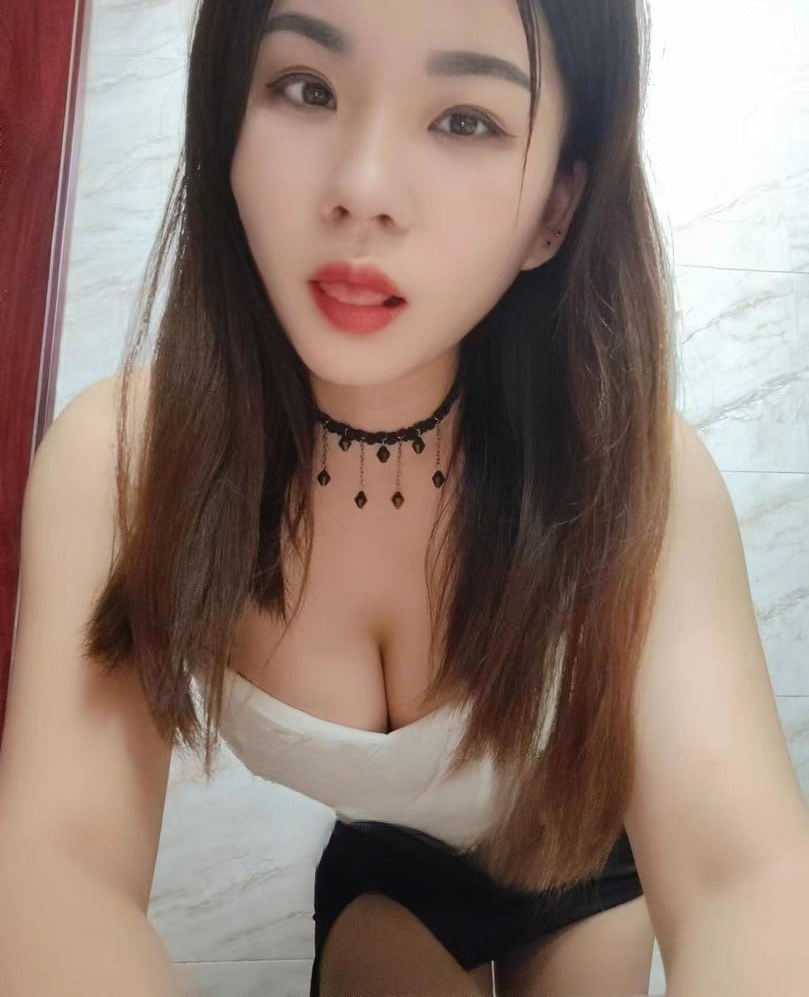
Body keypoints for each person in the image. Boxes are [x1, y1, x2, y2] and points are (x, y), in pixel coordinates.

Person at [4, 1, 809, 996]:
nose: (362, 189)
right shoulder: (124, 464)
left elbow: (742, 876)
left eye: (464, 119)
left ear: (554, 210)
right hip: (394, 868)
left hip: (585, 850)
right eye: (306, 88)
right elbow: (61, 865)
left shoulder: (631, 475)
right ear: (225, 121)